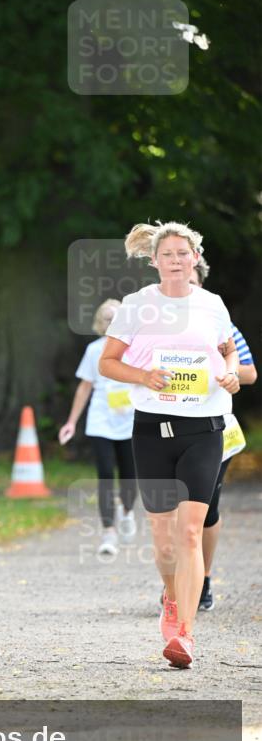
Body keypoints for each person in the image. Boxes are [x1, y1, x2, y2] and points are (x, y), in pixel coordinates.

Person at [100, 222, 240, 668]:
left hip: (205, 428)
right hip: (153, 428)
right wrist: (143, 376)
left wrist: (231, 373)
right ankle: (172, 596)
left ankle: (186, 635)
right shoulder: (137, 306)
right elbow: (108, 363)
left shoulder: (212, 304)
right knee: (163, 539)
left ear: (194, 258)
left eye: (184, 253)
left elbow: (228, 350)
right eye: (168, 254)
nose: (176, 260)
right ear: (155, 260)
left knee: (191, 531)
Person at [182, 256, 256, 611]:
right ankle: (177, 582)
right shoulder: (159, 328)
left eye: (192, 282)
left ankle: (204, 578)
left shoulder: (221, 325)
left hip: (215, 429)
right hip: (168, 429)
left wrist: (221, 373)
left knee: (205, 510)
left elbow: (250, 373)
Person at [59, 299, 137, 557]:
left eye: (115, 317)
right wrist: (71, 422)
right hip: (101, 422)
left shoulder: (135, 349)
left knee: (129, 475)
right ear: (99, 323)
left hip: (130, 423)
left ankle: (127, 511)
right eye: (105, 318)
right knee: (105, 476)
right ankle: (109, 532)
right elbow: (84, 388)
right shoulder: (94, 350)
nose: (110, 322)